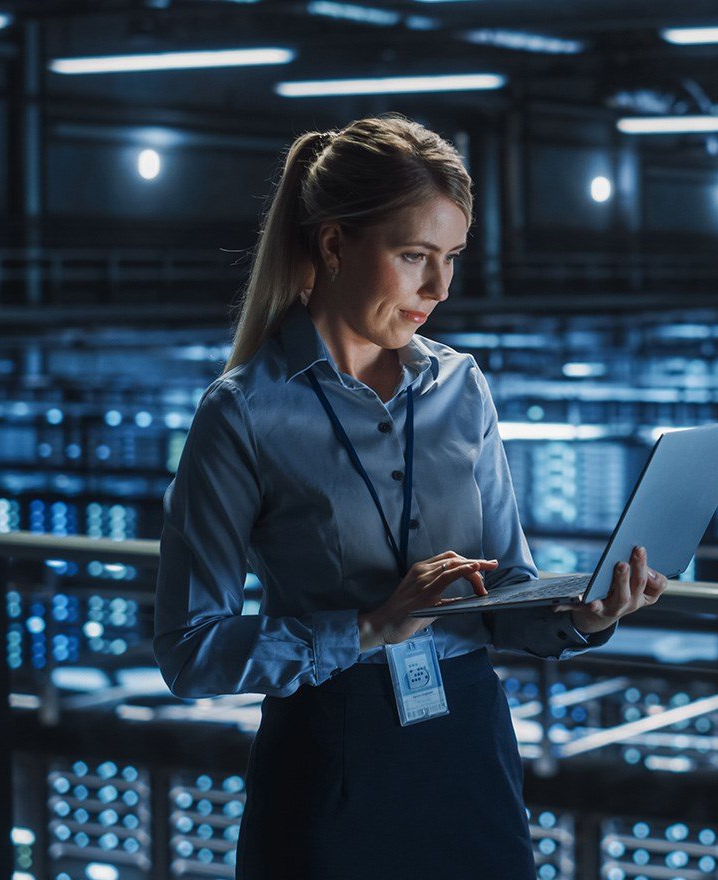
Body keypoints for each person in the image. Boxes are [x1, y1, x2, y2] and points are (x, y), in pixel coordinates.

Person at [152, 114, 669, 879]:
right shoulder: (244, 413)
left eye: (451, 257)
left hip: (469, 750)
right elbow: (190, 650)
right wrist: (366, 627)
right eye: (414, 256)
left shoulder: (463, 387)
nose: (440, 288)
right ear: (333, 245)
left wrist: (583, 617)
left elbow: (507, 588)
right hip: (333, 759)